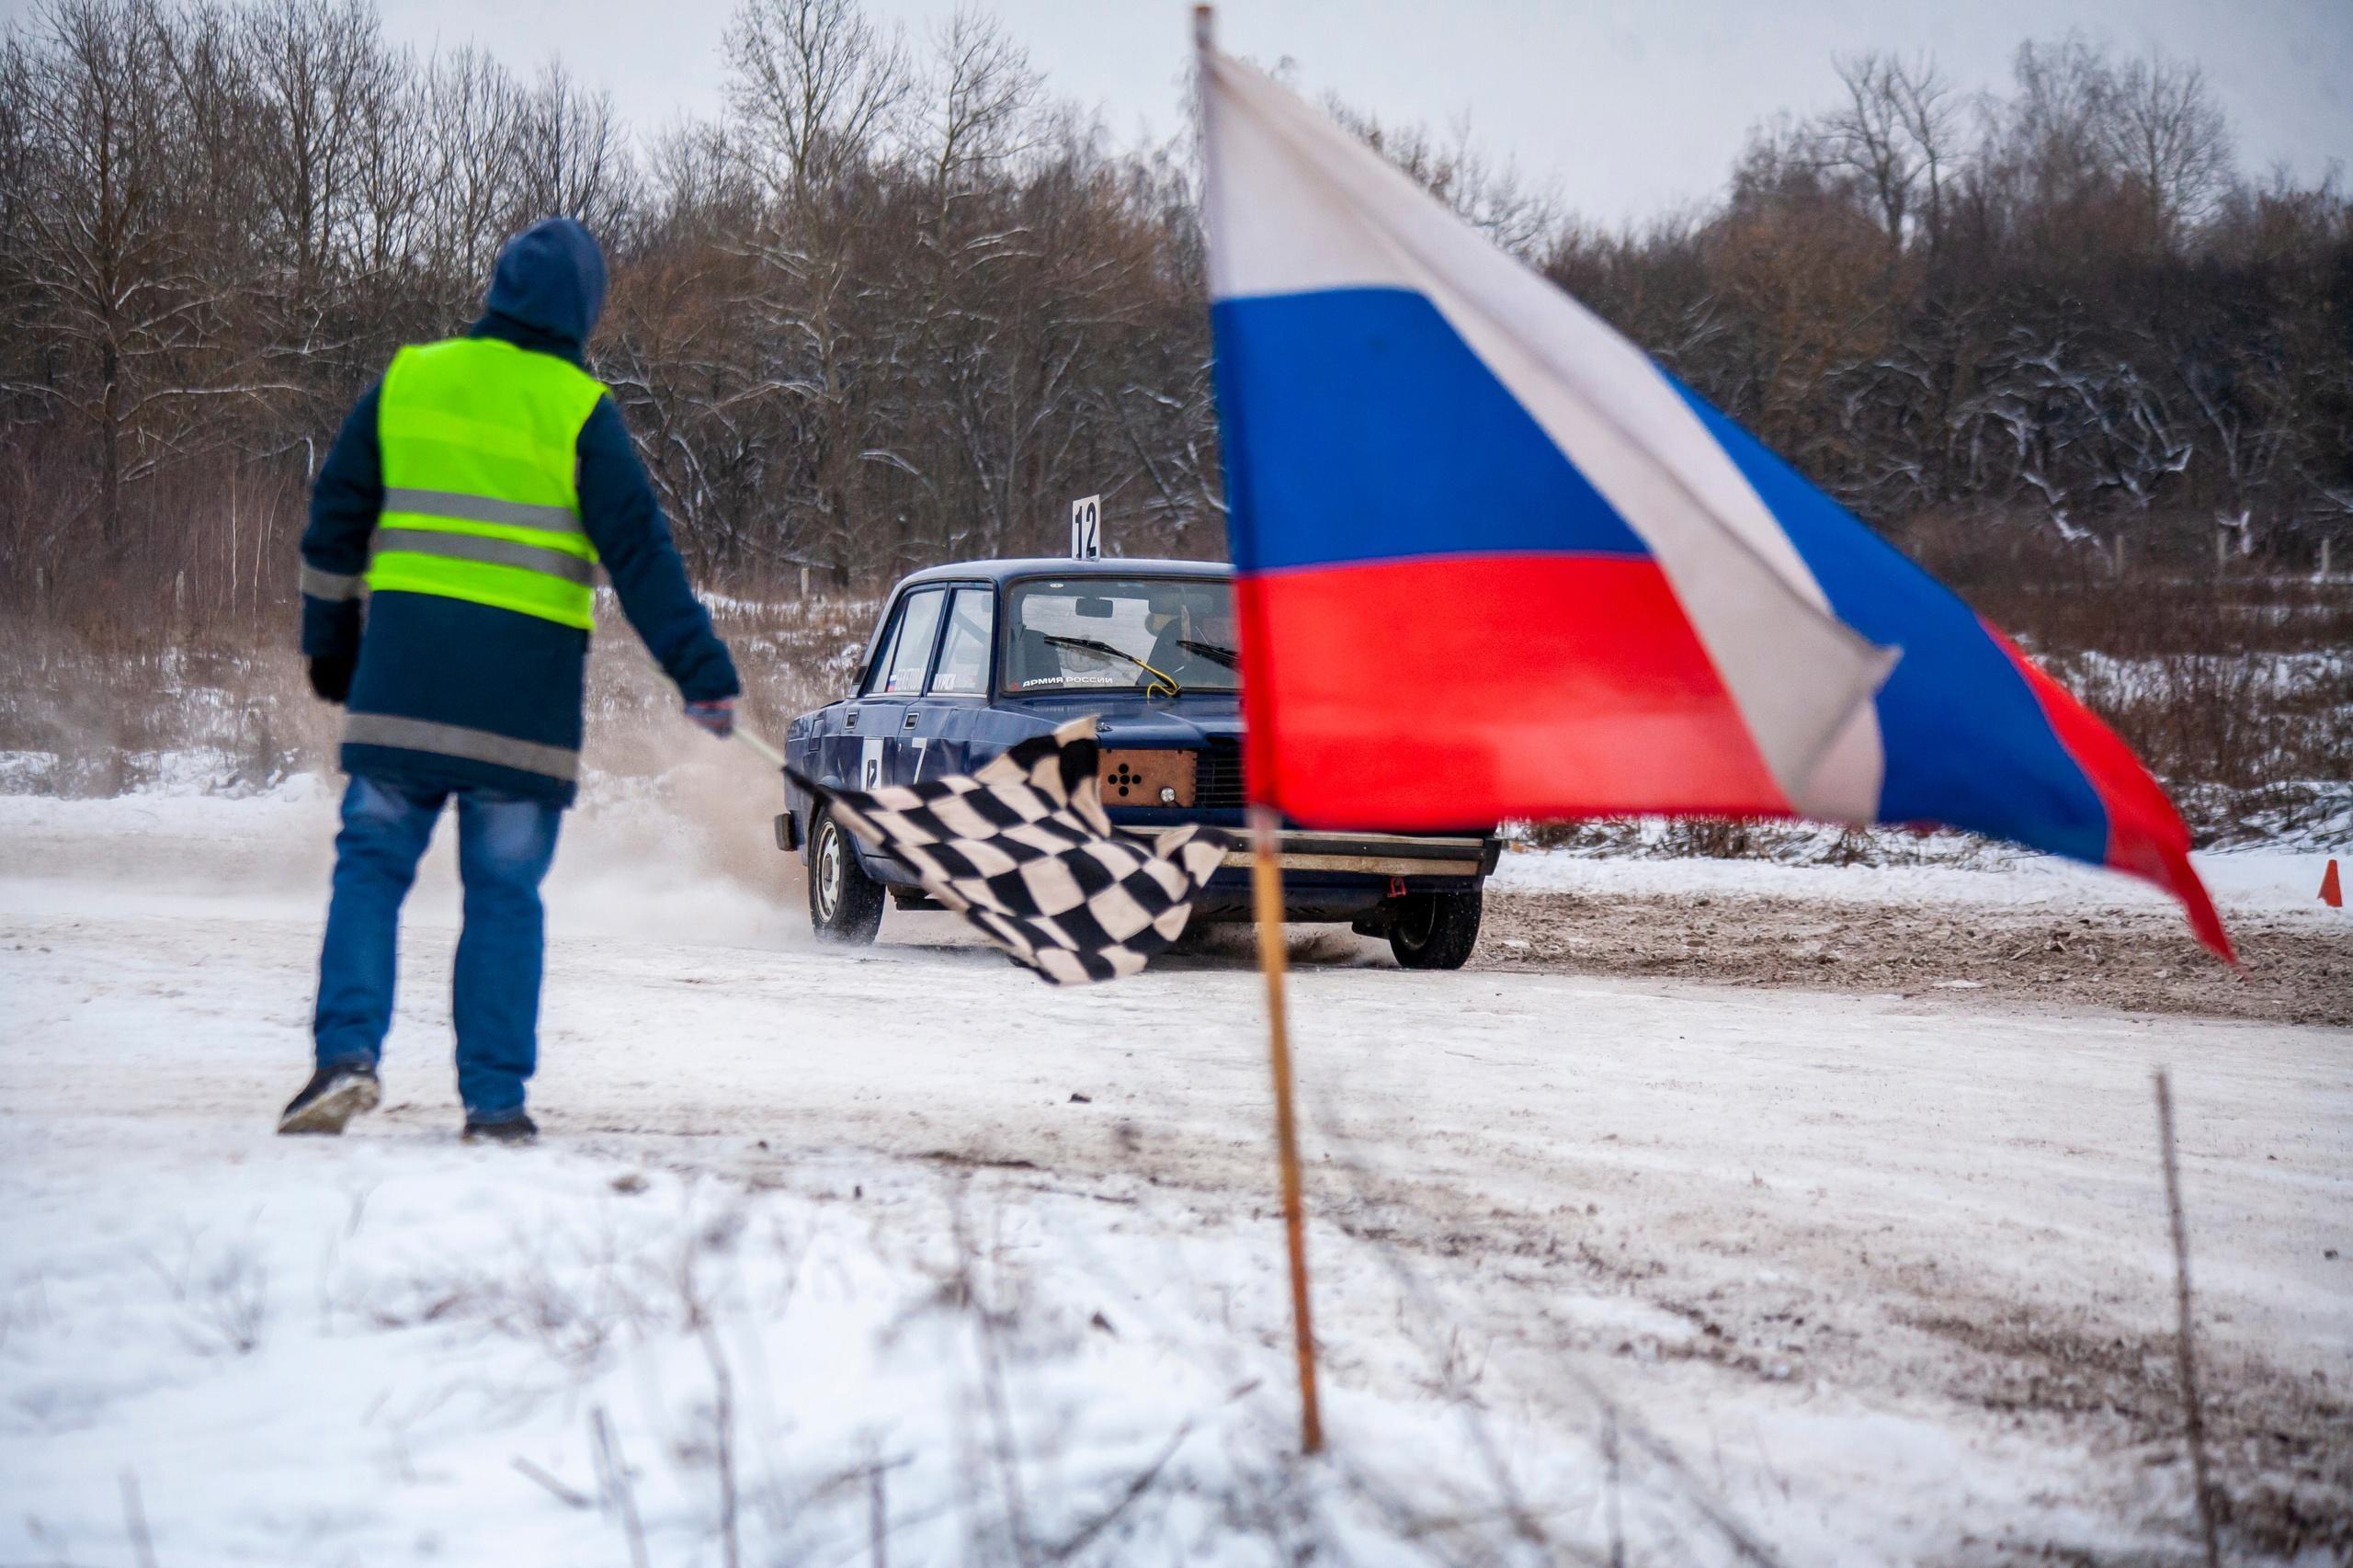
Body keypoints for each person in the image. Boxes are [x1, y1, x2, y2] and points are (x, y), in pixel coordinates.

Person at [279, 217, 740, 1144]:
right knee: (503, 895)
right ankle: (494, 1104)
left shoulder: (410, 379)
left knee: (370, 868)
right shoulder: (579, 411)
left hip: (402, 691)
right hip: (521, 712)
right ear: (583, 311)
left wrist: (330, 645)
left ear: (496, 290)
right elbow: (641, 555)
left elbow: (334, 519)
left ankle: (345, 1056)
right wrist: (700, 671)